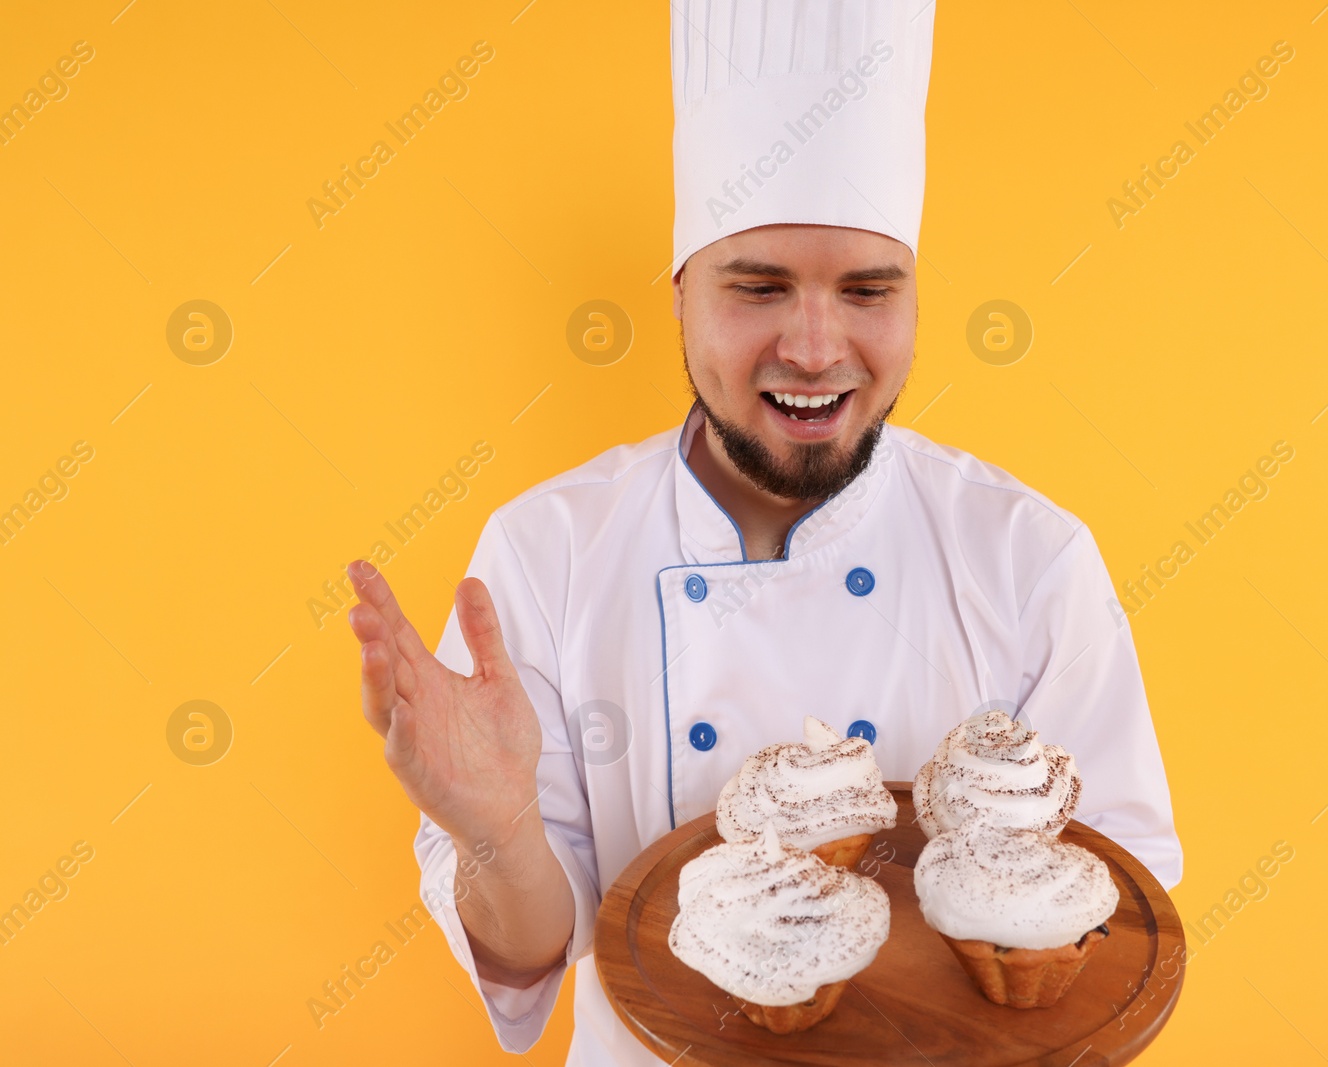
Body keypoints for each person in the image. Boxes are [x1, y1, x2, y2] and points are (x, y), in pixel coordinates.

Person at [345, 2, 1181, 1062]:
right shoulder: (546, 554)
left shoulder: (1026, 558)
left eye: (868, 290)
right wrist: (496, 830)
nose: (816, 346)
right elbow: (532, 951)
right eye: (758, 287)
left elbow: (1106, 931)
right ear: (681, 293)